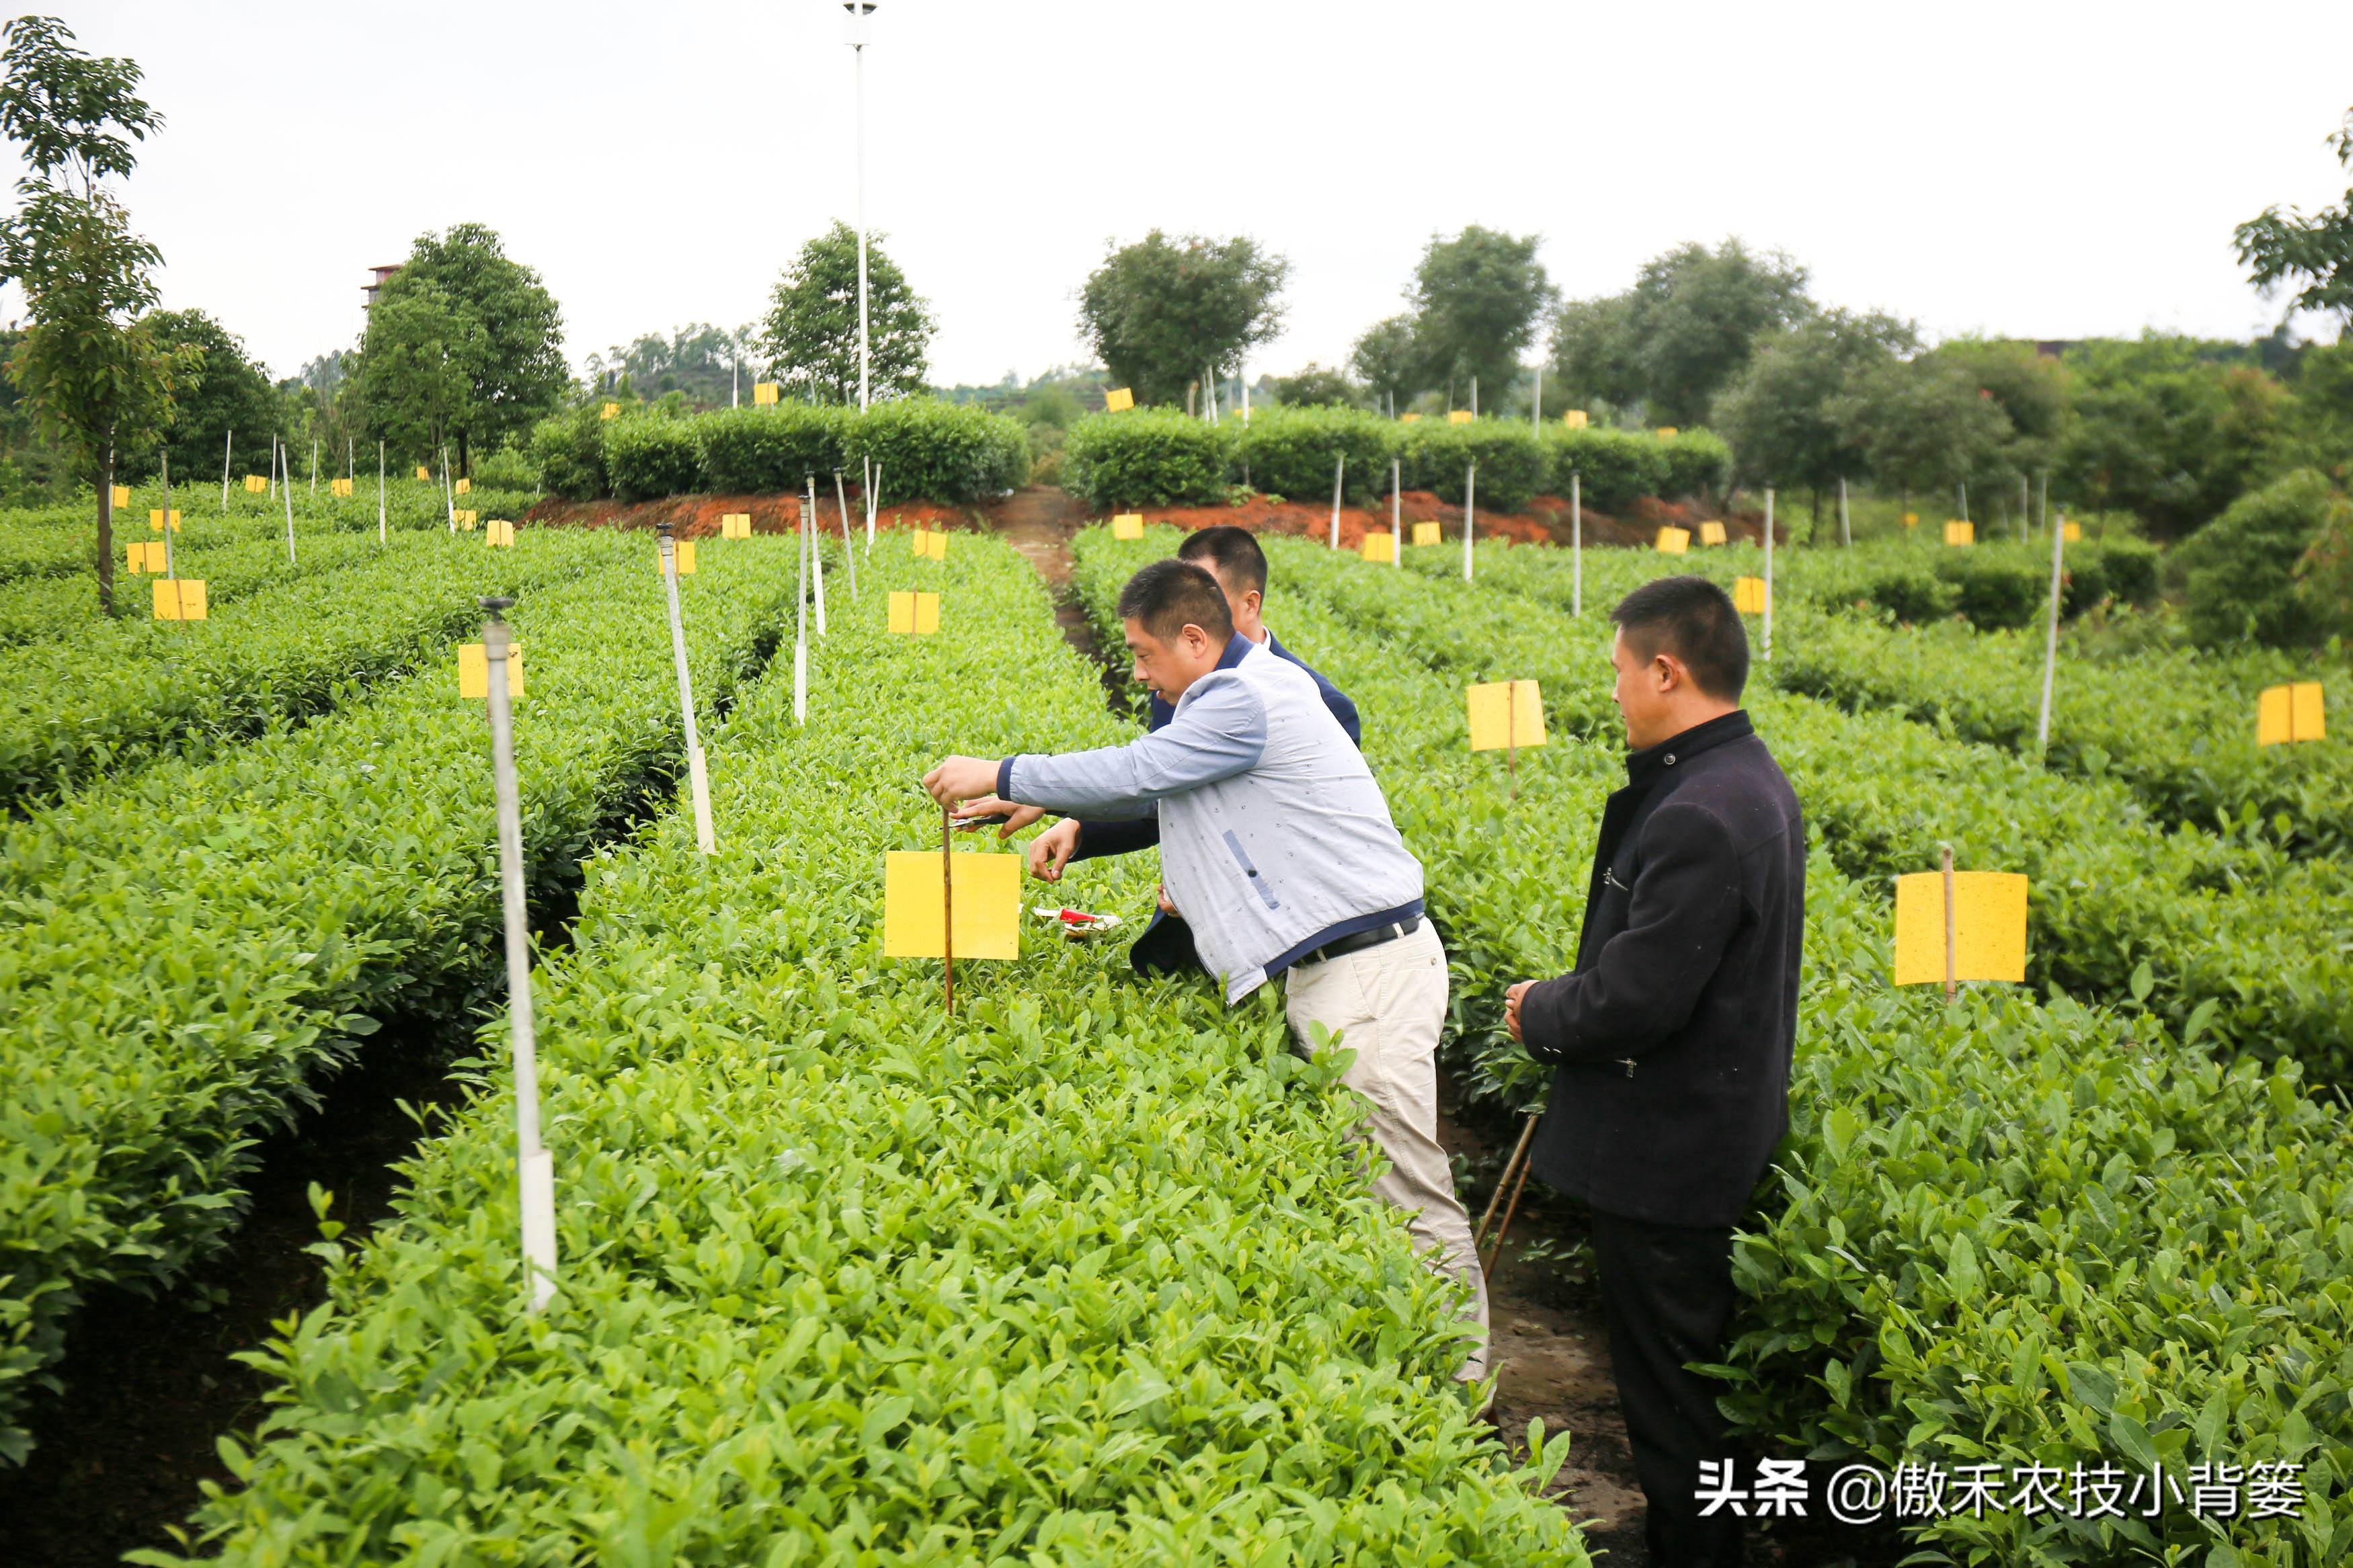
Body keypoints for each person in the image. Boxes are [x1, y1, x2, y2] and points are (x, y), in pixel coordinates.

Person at [926, 557, 1490, 1380]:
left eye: (1143, 655)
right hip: (1340, 969)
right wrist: (1055, 805)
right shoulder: (1236, 698)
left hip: (1366, 970)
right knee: (1370, 1175)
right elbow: (1163, 786)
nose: (1139, 673)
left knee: (1403, 1182)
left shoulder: (1244, 696)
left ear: (1194, 638)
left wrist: (1006, 771)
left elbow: (1142, 768)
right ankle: (1425, 1366)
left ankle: (1462, 1386)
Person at [1503, 575, 1803, 1568]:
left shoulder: (1703, 811)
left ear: (1666, 671)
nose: (1616, 692)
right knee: (1682, 1392)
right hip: (1699, 1136)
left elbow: (1639, 998)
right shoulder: (1740, 780)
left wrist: (1537, 1009)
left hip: (1672, 1158)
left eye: (1622, 671)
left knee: (1675, 1407)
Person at [980, 525, 1358, 975]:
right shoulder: (1176, 681)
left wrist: (1214, 885)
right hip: (1192, 942)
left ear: (1247, 603)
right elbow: (1164, 789)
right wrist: (1080, 825)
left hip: (1279, 945)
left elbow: (1310, 838)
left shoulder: (1313, 699)